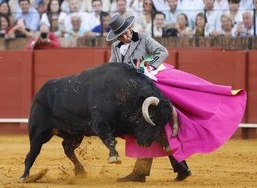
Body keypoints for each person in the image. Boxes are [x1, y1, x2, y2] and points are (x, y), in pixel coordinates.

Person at [106, 14, 247, 182]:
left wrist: (148, 67)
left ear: (130, 27)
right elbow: (112, 68)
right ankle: (177, 168)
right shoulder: (116, 46)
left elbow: (162, 52)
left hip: (150, 88)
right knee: (151, 128)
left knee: (151, 127)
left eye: (126, 31)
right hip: (133, 94)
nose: (125, 35)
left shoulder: (143, 38)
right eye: (121, 34)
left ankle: (145, 172)